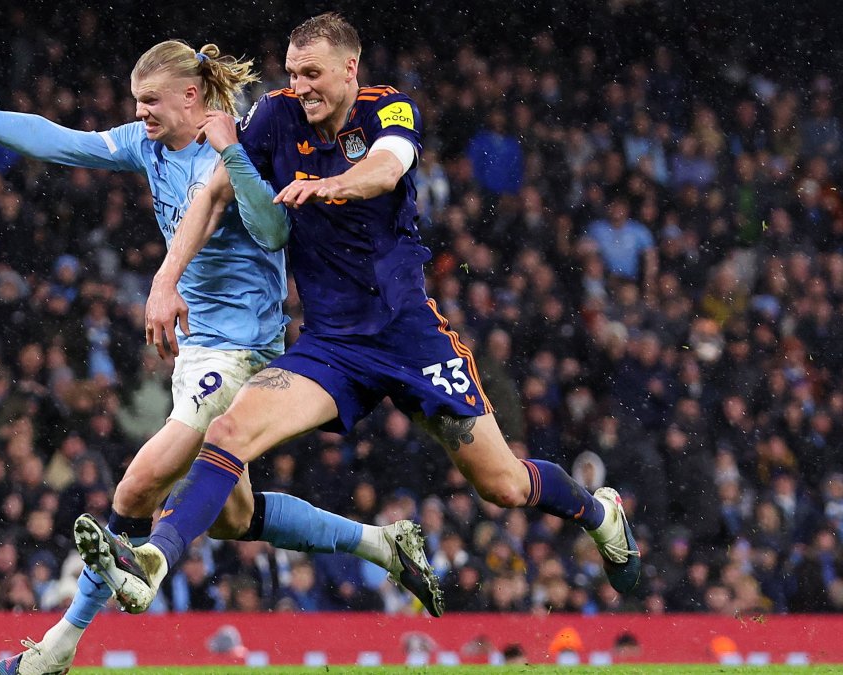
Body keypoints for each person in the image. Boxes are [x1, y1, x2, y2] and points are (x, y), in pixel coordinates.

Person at [77, 12, 641, 616]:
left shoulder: (388, 109)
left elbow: (388, 167)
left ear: (350, 69)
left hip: (409, 337)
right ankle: (156, 557)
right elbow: (213, 194)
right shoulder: (274, 117)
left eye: (312, 74)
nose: (300, 87)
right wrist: (165, 280)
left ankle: (598, 513)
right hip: (333, 346)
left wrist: (334, 185)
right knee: (228, 431)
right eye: (292, 73)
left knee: (502, 485)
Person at [0, 39, 441, 675]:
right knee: (236, 517)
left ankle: (56, 648)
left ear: (191, 97)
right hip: (197, 352)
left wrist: (233, 156)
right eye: (137, 102)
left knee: (137, 487)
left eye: (151, 102)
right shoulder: (147, 145)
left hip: (243, 351)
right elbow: (60, 141)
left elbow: (276, 231)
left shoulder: (243, 143)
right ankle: (382, 543)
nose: (140, 114)